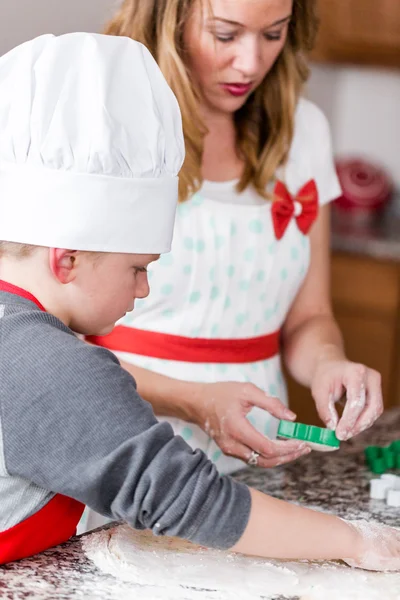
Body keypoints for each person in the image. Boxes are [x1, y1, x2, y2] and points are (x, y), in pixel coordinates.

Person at [0, 31, 398, 571]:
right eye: (138, 269)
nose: (143, 289)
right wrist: (356, 543)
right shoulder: (50, 364)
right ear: (65, 259)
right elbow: (186, 497)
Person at [90, 0, 384, 475]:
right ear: (169, 21)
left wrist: (330, 362)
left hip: (253, 448)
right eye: (226, 35)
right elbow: (46, 342)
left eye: (273, 34)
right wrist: (195, 401)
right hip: (125, 443)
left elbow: (310, 316)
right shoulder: (107, 127)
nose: (250, 63)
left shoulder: (303, 131)